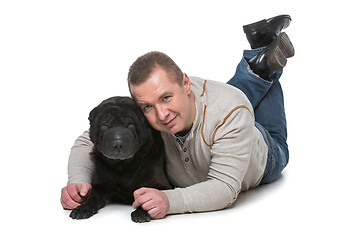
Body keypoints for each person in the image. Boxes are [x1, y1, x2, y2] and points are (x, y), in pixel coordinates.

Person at [61, 14, 294, 220]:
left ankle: (264, 59)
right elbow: (87, 140)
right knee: (223, 106)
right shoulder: (147, 110)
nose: (161, 115)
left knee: (245, 112)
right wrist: (77, 181)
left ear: (185, 82)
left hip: (266, 154)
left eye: (165, 98)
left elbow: (224, 188)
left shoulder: (231, 111)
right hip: (221, 114)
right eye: (148, 106)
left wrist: (170, 201)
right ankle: (260, 59)